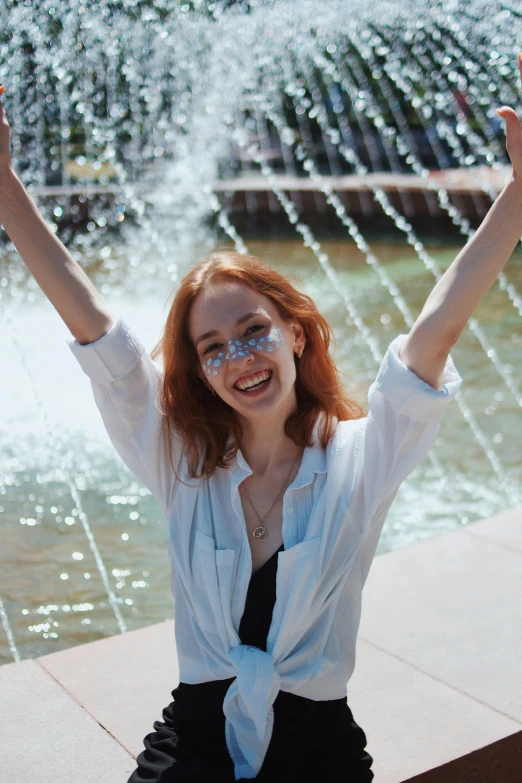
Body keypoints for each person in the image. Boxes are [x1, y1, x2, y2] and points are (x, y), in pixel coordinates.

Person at [1, 52, 522, 781]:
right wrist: (6, 189)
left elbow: (435, 329)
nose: (238, 356)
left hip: (319, 749)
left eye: (253, 330)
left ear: (295, 334)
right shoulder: (177, 460)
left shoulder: (361, 459)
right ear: (201, 372)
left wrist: (519, 194)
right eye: (212, 347)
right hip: (193, 741)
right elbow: (100, 335)